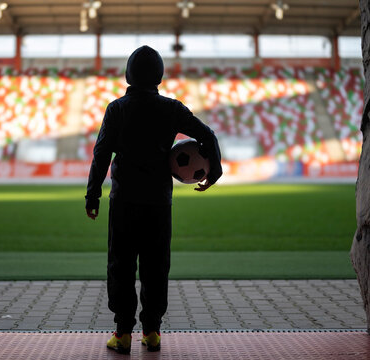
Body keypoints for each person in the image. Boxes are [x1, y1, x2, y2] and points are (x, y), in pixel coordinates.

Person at [85, 45, 222, 354]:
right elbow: (208, 135)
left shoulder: (117, 109)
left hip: (124, 202)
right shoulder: (172, 109)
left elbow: (101, 154)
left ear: (128, 76)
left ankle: (122, 334)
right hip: (159, 203)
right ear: (159, 76)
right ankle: (153, 332)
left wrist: (93, 195)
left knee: (121, 266)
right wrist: (214, 172)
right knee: (156, 267)